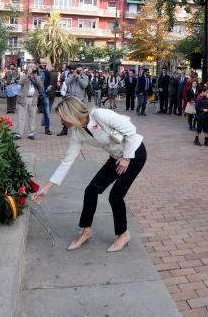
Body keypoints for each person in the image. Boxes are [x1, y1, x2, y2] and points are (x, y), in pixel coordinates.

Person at [30, 97, 146, 252]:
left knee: (116, 196)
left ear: (71, 114)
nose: (61, 122)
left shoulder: (100, 115)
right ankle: (85, 231)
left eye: (62, 118)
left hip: (135, 153)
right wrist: (46, 187)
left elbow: (131, 131)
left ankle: (123, 234)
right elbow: (67, 162)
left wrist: (126, 157)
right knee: (91, 190)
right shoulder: (77, 132)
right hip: (116, 157)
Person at [13, 64, 43, 140]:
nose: (32, 69)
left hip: (33, 99)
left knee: (32, 116)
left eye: (34, 67)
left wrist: (34, 76)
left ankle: (31, 133)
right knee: (21, 116)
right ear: (28, 68)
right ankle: (19, 133)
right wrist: (28, 75)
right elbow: (20, 82)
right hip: (24, 98)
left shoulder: (37, 77)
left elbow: (40, 85)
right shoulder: (24, 76)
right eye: (31, 67)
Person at [57, 67, 89, 136]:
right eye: (77, 70)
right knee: (66, 114)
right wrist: (73, 76)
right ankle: (64, 130)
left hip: (79, 99)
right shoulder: (71, 75)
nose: (78, 71)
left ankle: (80, 131)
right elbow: (66, 83)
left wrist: (79, 77)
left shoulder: (85, 77)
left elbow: (84, 86)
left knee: (79, 115)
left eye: (80, 70)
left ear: (83, 71)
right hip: (70, 98)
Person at [37, 60, 53, 135]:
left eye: (45, 63)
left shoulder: (47, 72)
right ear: (39, 64)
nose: (44, 65)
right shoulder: (35, 71)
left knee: (46, 112)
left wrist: (49, 87)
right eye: (42, 63)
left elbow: (50, 82)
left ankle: (47, 128)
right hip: (35, 94)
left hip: (44, 94)